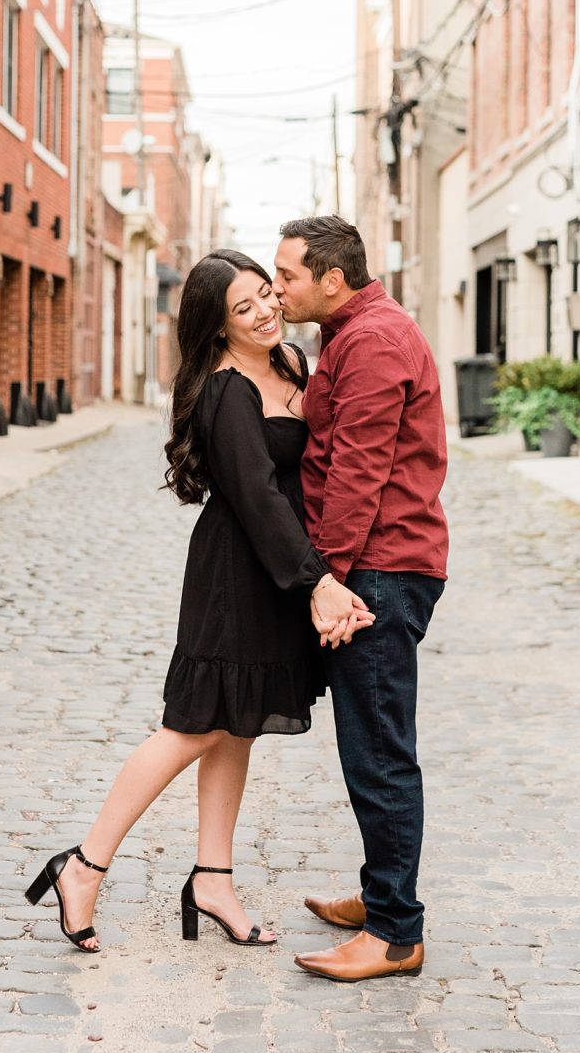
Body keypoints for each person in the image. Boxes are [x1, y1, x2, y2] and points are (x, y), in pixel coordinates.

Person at [23, 249, 373, 953]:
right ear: (218, 329)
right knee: (193, 727)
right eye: (243, 309)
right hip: (236, 572)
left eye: (267, 296)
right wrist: (318, 582)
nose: (265, 312)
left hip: (274, 573)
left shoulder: (291, 364)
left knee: (236, 725)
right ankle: (84, 867)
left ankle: (212, 879)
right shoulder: (224, 390)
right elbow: (258, 500)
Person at [272, 216, 449, 983]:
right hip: (371, 567)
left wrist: (326, 581)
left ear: (331, 279)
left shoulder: (373, 340)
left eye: (287, 276)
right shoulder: (349, 334)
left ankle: (394, 933)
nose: (277, 289)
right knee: (368, 746)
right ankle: (383, 896)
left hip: (375, 571)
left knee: (378, 753)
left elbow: (359, 471)